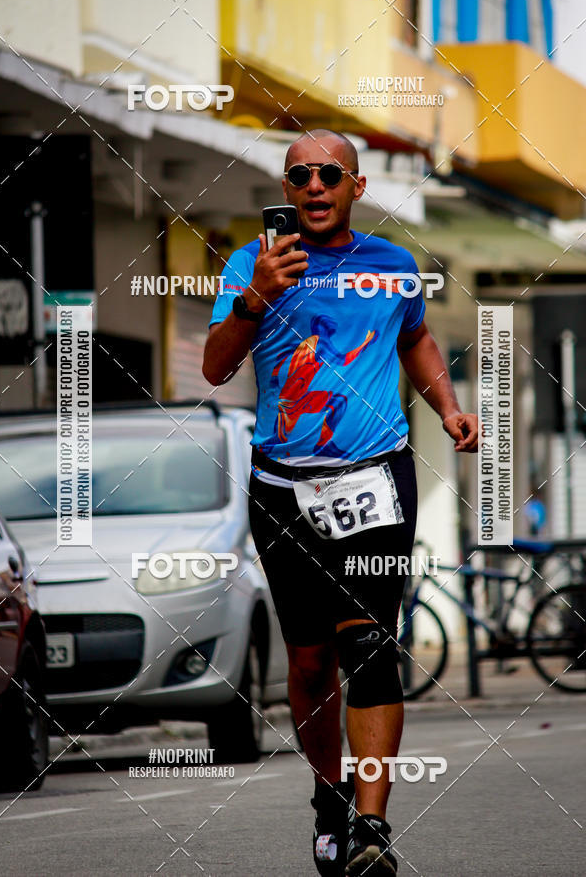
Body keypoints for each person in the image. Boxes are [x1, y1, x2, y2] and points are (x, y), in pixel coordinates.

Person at [203, 128, 478, 875]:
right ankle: (330, 798)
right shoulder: (246, 263)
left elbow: (415, 337)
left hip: (375, 478)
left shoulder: (392, 264)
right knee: (311, 665)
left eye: (330, 175)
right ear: (287, 191)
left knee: (369, 645)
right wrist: (258, 296)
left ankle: (372, 828)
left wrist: (447, 406)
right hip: (283, 485)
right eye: (300, 177)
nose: (315, 187)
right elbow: (217, 366)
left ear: (357, 188)